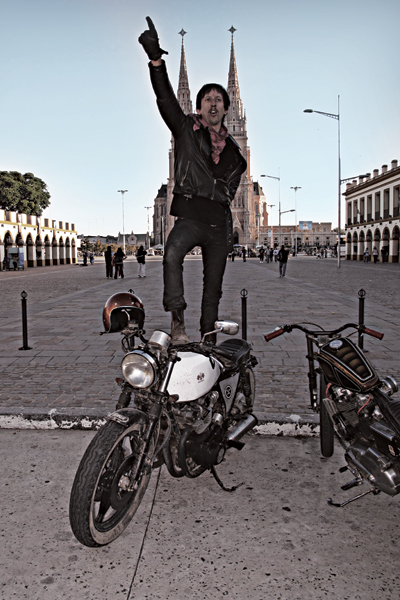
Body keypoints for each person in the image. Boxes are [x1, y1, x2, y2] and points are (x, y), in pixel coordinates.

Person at [139, 17, 247, 344]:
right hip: (190, 215)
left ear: (229, 109)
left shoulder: (236, 154)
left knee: (213, 288)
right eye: (207, 99)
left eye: (219, 99)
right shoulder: (186, 130)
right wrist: (156, 62)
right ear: (198, 107)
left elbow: (229, 190)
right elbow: (165, 100)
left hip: (219, 223)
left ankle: (209, 339)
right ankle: (177, 322)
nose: (213, 103)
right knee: (172, 253)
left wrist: (216, 193)